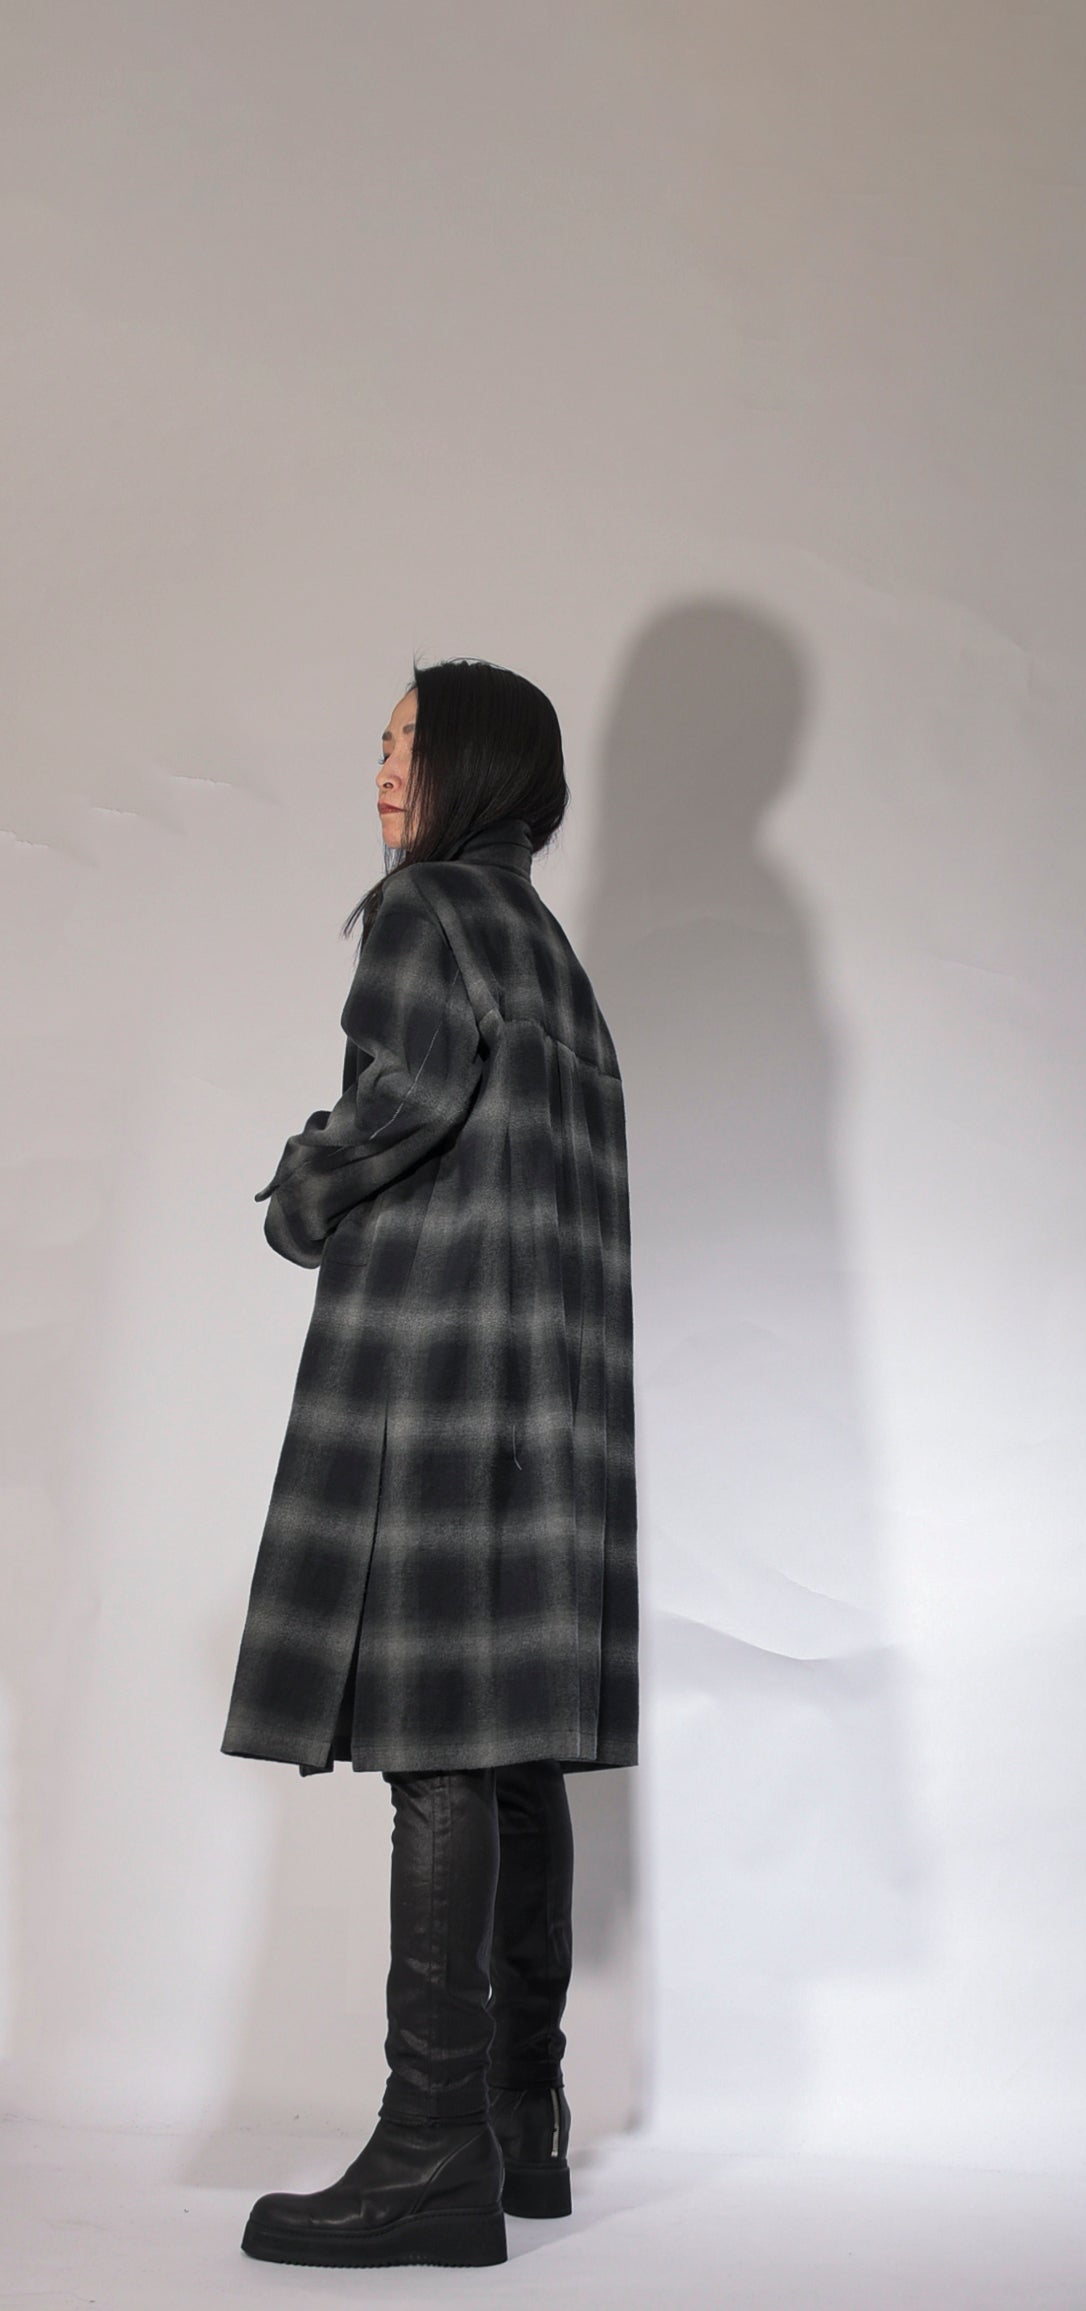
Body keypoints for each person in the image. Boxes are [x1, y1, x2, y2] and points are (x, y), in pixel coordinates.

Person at [219, 657, 638, 2268]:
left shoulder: (428, 912)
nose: (386, 772)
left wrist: (298, 1190)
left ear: (481, 767)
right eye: (383, 746)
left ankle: (427, 2156)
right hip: (550, 1403)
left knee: (439, 1753)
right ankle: (522, 2123)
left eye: (412, 744)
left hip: (444, 1381)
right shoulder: (551, 955)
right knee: (513, 1747)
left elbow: (400, 1094)